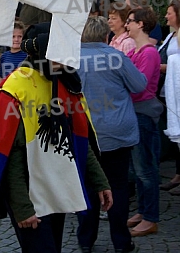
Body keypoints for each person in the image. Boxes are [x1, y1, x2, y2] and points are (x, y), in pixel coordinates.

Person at [0, 31, 112, 253]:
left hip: (55, 188)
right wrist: (22, 207)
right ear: (40, 51)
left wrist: (100, 181)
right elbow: (9, 154)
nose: (66, 56)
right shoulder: (15, 88)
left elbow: (77, 139)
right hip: (30, 197)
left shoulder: (63, 81)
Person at [76, 16, 147, 253]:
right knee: (117, 186)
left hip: (85, 132)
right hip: (117, 130)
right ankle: (121, 242)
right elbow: (139, 85)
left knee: (87, 187)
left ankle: (86, 240)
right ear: (106, 36)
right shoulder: (116, 57)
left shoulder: (70, 60)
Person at [125, 6, 162, 238]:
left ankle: (150, 217)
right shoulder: (136, 51)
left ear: (140, 24)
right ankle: (143, 211)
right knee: (137, 169)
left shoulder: (148, 53)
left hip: (143, 113)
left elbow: (138, 86)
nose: (126, 24)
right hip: (135, 112)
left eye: (130, 21)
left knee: (145, 169)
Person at [159, 0, 180, 194]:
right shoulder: (170, 36)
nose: (166, 16)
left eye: (169, 13)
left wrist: (156, 67)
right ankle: (178, 174)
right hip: (168, 90)